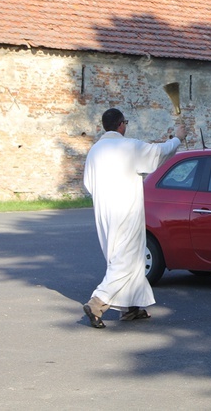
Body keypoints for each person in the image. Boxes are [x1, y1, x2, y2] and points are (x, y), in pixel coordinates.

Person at [82, 107, 186, 328]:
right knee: (125, 259)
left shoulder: (95, 150)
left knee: (126, 256)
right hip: (126, 210)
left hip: (104, 211)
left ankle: (132, 308)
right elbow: (157, 153)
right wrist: (178, 138)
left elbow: (88, 184)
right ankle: (97, 302)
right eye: (125, 122)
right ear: (121, 124)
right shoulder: (128, 146)